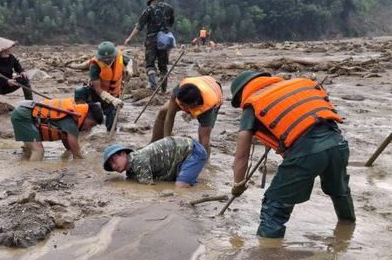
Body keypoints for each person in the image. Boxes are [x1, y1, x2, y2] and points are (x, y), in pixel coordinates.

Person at [229, 71, 356, 239]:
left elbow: (241, 155)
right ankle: (347, 231)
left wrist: (238, 183)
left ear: (241, 96)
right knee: (340, 191)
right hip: (338, 145)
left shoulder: (253, 105)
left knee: (274, 207)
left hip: (307, 153)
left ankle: (266, 255)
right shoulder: (299, 85)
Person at [11, 98, 104, 161]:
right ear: (86, 116)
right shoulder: (72, 120)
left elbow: (69, 147)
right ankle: (31, 177)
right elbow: (77, 155)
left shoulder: (72, 114)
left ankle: (23, 167)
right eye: (91, 124)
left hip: (24, 112)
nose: (89, 128)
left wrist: (66, 155)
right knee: (38, 150)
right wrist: (82, 167)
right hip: (23, 116)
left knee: (30, 151)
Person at [151, 76, 222, 156]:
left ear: (193, 105)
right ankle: (153, 145)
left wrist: (202, 163)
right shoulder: (179, 91)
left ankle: (204, 162)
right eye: (180, 104)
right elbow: (170, 116)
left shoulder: (208, 106)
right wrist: (166, 141)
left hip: (213, 91)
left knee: (203, 136)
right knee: (163, 111)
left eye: (183, 106)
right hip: (198, 84)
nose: (181, 107)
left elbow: (205, 138)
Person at [74, 41, 133, 131]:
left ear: (113, 56)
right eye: (103, 59)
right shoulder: (95, 65)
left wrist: (129, 69)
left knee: (112, 115)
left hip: (112, 92)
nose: (106, 61)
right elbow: (98, 89)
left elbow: (129, 60)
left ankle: (111, 133)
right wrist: (113, 100)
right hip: (96, 92)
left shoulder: (119, 57)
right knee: (79, 91)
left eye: (108, 59)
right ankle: (80, 124)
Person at [103, 136, 207, 187]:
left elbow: (148, 188)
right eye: (110, 165)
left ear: (123, 154)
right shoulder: (131, 168)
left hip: (193, 151)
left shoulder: (138, 161)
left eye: (114, 160)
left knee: (180, 186)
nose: (113, 166)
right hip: (181, 157)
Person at [124, 0, 174, 92]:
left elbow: (139, 26)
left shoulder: (149, 9)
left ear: (151, 1)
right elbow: (170, 24)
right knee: (163, 67)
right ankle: (163, 90)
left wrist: (129, 38)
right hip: (164, 40)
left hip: (151, 40)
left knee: (150, 65)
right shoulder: (169, 8)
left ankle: (153, 86)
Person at [0, 37, 32, 102]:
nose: (11, 49)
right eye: (10, 47)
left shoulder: (11, 57)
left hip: (9, 85)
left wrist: (21, 71)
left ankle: (29, 102)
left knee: (25, 79)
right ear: (4, 49)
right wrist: (6, 81)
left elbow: (16, 65)